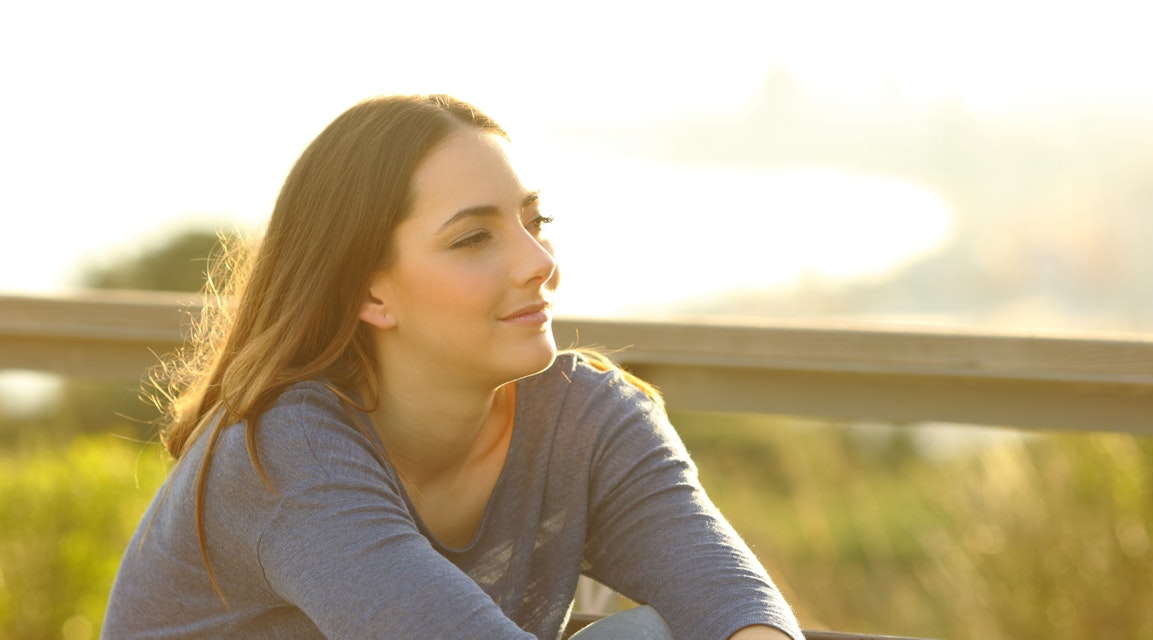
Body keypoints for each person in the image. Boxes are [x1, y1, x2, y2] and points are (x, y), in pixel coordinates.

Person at [103, 94, 801, 640]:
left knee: (657, 633)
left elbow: (730, 601)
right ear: (368, 292)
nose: (539, 263)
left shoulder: (583, 419)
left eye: (535, 221)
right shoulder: (289, 454)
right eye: (473, 239)